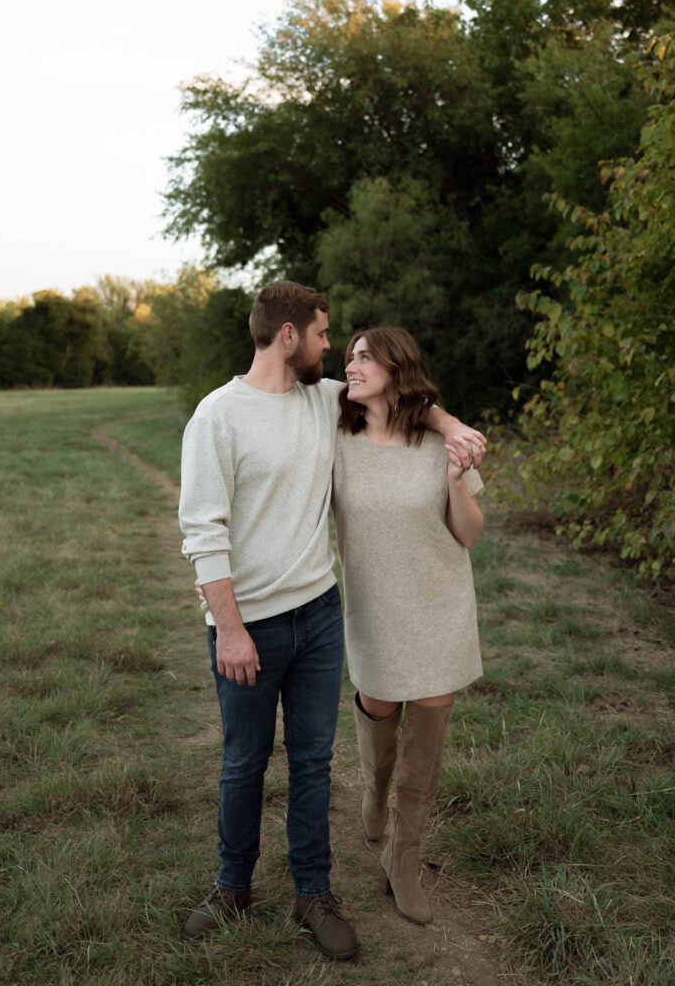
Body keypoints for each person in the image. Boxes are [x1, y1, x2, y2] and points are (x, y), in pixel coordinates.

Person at [178, 281, 485, 959]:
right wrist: (227, 627)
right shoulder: (217, 416)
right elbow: (201, 530)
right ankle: (231, 887)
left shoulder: (323, 402)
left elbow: (408, 400)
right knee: (243, 763)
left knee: (313, 763)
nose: (333, 350)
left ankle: (313, 894)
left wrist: (451, 425)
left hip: (317, 612)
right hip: (249, 623)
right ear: (289, 337)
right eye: (323, 336)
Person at [331, 327, 484, 926]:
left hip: (439, 604)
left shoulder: (436, 444)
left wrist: (452, 481)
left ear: (398, 369)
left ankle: (405, 855)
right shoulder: (336, 439)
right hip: (372, 606)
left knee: (427, 726)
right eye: (348, 354)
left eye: (365, 356)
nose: (352, 364)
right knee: (379, 709)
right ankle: (373, 792)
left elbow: (469, 534)